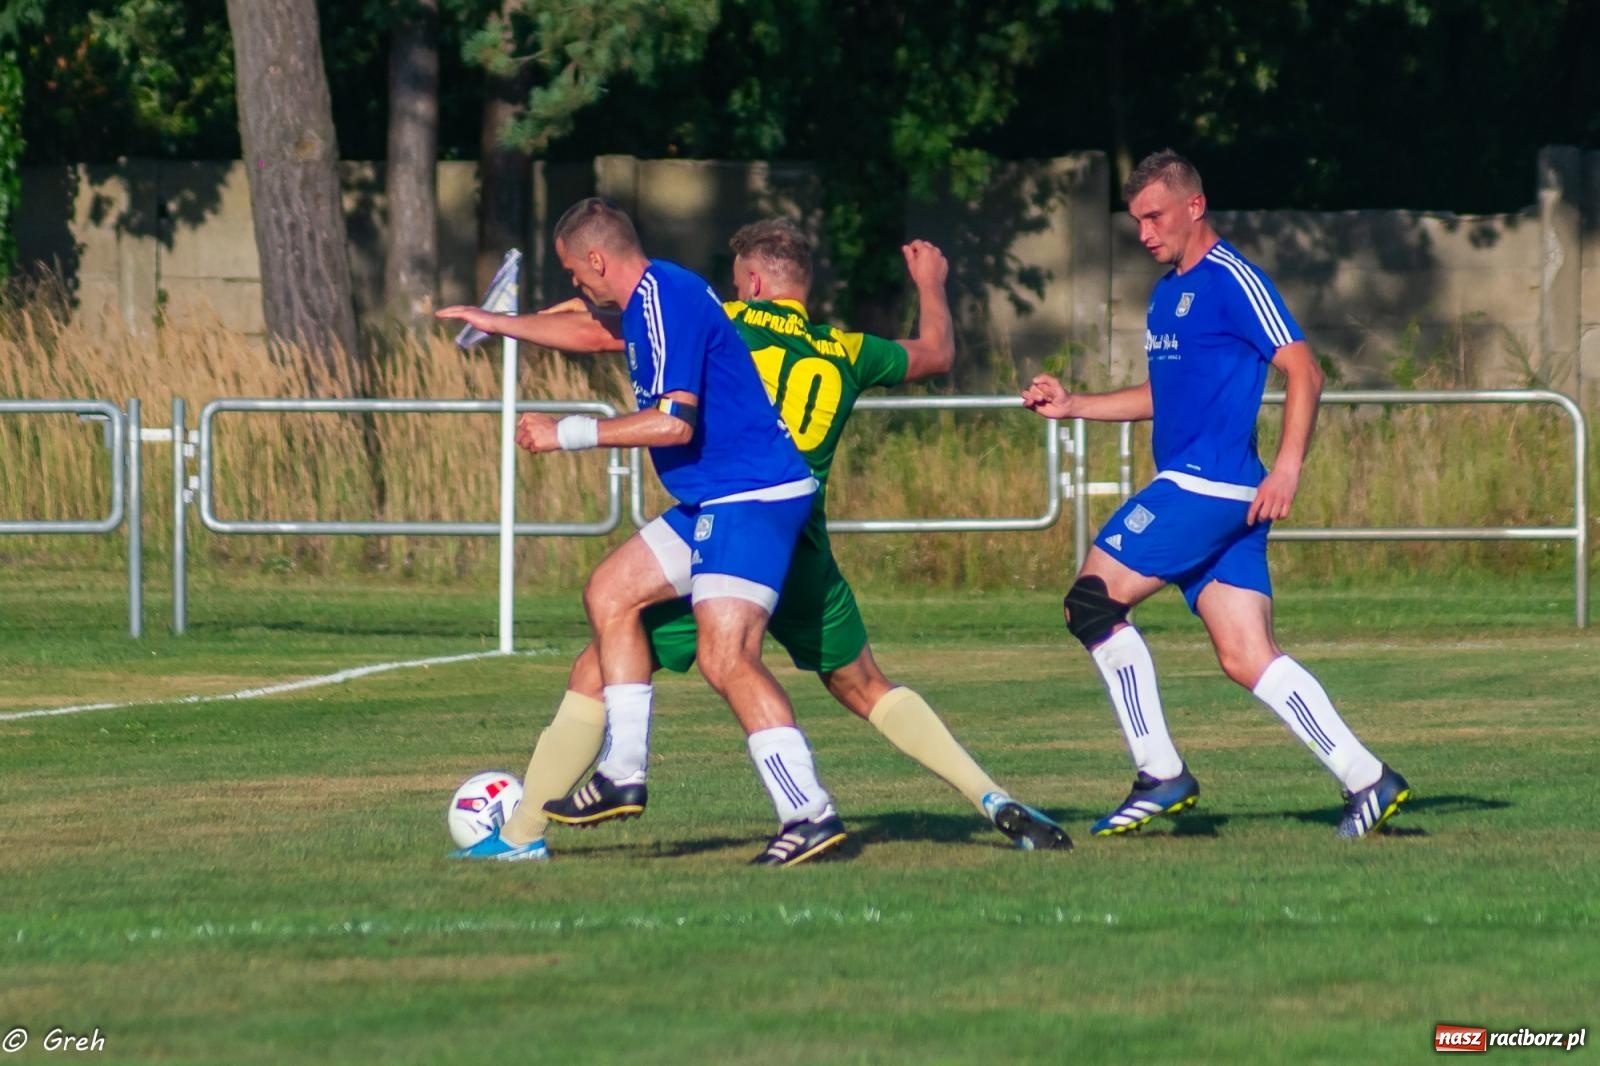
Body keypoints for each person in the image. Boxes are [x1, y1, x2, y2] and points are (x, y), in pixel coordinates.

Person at [459, 219, 1070, 863]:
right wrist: (930, 284)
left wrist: (515, 331)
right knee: (863, 684)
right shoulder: (847, 347)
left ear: (750, 282)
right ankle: (992, 797)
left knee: (636, 663)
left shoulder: (725, 318)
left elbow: (604, 334)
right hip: (801, 539)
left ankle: (532, 831)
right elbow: (937, 353)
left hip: (739, 518)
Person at [436, 198, 846, 866]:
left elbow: (673, 424)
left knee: (726, 657)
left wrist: (565, 433)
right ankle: (621, 770)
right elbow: (596, 333)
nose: (575, 285)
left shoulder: (664, 300)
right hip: (722, 494)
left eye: (574, 272)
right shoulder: (660, 295)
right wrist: (496, 323)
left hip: (754, 496)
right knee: (610, 592)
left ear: (598, 259)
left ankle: (809, 814)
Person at [1021, 150, 1411, 839]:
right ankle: (1368, 778)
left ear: (1193, 207)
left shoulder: (1234, 279)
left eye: (1155, 216)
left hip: (1210, 486)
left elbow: (1305, 371)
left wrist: (1287, 468)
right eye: (1136, 218)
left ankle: (1159, 770)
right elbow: (1163, 399)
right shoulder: (1168, 293)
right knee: (1246, 655)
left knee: (1091, 601)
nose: (1144, 232)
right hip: (1213, 492)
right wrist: (1075, 402)